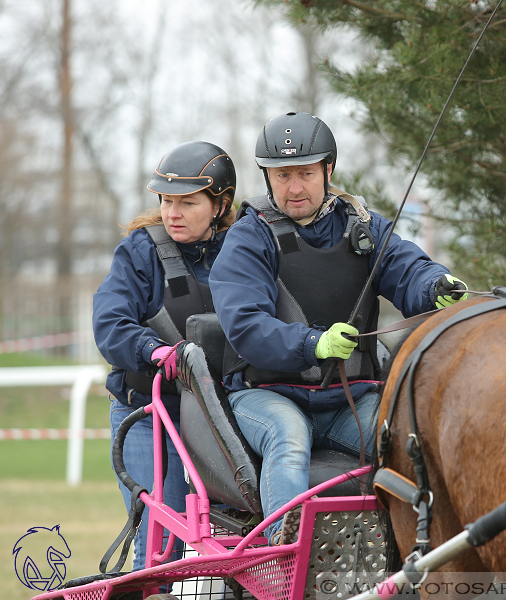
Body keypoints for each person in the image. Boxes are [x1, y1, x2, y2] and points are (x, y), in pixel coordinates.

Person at [209, 111, 468, 545]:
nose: (294, 187)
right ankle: (283, 560)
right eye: (283, 175)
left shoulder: (362, 225)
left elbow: (407, 270)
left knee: (411, 437)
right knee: (288, 437)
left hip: (349, 398)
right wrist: (313, 343)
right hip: (267, 396)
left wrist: (434, 286)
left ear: (328, 170)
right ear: (268, 176)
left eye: (306, 173)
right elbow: (246, 325)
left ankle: (421, 556)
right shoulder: (248, 238)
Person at [93, 141, 236, 570]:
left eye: (187, 202)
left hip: (226, 421)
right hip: (151, 415)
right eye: (166, 200)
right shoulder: (140, 251)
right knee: (162, 551)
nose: (172, 212)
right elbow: (110, 324)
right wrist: (154, 350)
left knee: (234, 545)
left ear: (220, 203)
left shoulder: (247, 248)